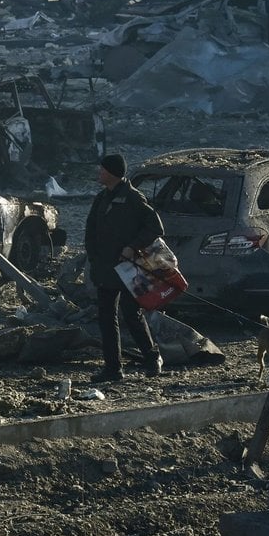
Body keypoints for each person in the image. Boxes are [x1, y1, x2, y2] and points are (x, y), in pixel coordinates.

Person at [84, 154, 165, 382]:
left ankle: (152, 358)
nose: (99, 173)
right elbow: (90, 230)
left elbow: (155, 228)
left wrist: (132, 246)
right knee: (107, 319)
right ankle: (113, 369)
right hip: (105, 269)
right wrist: (93, 257)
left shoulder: (133, 198)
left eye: (102, 169)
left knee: (131, 314)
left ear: (111, 172)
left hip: (130, 269)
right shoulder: (101, 198)